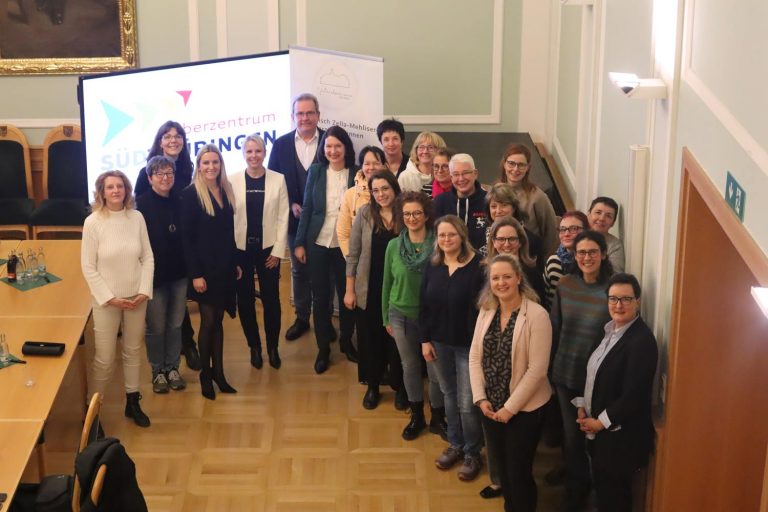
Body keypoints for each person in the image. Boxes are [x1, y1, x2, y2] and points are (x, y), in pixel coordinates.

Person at [469, 254, 552, 512]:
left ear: (518, 278)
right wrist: (480, 398)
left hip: (524, 410)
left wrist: (509, 409)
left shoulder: (537, 315)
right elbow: (474, 355)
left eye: (507, 276)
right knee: (503, 470)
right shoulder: (486, 309)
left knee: (519, 473)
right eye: (495, 278)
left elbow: (537, 370)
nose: (501, 282)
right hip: (490, 408)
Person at [574, 273, 658, 512]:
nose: (618, 305)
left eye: (625, 299)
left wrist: (599, 423)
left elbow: (634, 396)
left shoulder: (642, 341)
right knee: (603, 492)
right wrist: (582, 403)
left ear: (637, 301)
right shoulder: (609, 330)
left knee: (615, 499)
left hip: (620, 439)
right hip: (600, 434)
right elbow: (592, 373)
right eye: (613, 299)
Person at [81, 170, 154, 427]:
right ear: (101, 192)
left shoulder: (137, 218)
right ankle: (92, 413)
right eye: (110, 187)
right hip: (106, 301)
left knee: (133, 352)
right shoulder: (93, 223)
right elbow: (88, 267)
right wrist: (111, 298)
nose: (115, 191)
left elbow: (147, 257)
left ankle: (132, 402)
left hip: (137, 297)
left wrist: (144, 290)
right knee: (104, 358)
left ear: (127, 191)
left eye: (120, 187)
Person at [550, 230, 614, 510]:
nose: (587, 257)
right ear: (574, 256)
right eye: (581, 253)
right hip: (565, 375)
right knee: (572, 439)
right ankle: (575, 494)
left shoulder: (612, 290)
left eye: (592, 252)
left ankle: (596, 495)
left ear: (603, 254)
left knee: (596, 440)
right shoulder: (565, 284)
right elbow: (555, 328)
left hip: (598, 381)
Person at [421, 215, 485, 481]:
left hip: (467, 346)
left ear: (462, 236)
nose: (446, 240)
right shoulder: (433, 265)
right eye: (442, 235)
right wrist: (424, 340)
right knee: (448, 394)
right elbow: (422, 305)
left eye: (452, 235)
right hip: (438, 343)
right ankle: (456, 445)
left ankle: (472, 453)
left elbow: (482, 310)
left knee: (468, 402)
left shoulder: (478, 268)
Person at [134, 121, 200, 371]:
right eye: (167, 136)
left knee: (176, 312)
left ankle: (181, 352)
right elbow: (141, 212)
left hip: (180, 256)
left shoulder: (188, 168)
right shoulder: (145, 172)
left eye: (178, 136)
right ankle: (163, 364)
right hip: (156, 260)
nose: (173, 140)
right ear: (159, 141)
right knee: (160, 321)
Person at [382, 191, 447, 441]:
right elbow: (386, 283)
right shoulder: (393, 246)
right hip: (399, 314)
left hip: (431, 318)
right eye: (407, 213)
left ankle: (438, 418)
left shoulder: (439, 243)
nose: (412, 218)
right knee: (409, 366)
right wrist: (386, 317)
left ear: (426, 215)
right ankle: (417, 415)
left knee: (434, 368)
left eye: (417, 213)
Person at [294, 125, 359, 374]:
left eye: (337, 146)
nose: (332, 150)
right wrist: (300, 242)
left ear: (346, 148)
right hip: (318, 243)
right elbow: (308, 207)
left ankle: (346, 343)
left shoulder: (357, 173)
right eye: (328, 146)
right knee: (320, 298)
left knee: (347, 298)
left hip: (346, 247)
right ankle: (323, 348)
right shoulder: (317, 171)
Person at [180, 144, 242, 400]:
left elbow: (229, 232)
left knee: (218, 322)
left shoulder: (226, 190)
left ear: (221, 164)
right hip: (204, 271)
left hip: (225, 266)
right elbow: (187, 239)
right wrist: (195, 274)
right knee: (208, 323)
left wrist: (236, 262)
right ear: (199, 165)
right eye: (206, 163)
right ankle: (206, 375)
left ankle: (219, 373)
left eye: (215, 162)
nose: (211, 167)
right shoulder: (190, 194)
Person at [268, 93, 325, 341]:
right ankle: (302, 318)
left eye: (310, 113)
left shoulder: (329, 141)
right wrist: (290, 203)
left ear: (318, 115)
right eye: (300, 113)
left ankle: (324, 321)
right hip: (293, 223)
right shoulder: (280, 145)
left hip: (325, 223)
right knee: (299, 271)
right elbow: (273, 181)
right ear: (293, 117)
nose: (305, 118)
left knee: (325, 272)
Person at [345, 171, 404, 410]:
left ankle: (400, 387)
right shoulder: (365, 214)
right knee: (370, 339)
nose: (381, 194)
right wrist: (350, 290)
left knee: (398, 340)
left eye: (385, 189)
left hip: (398, 288)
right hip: (369, 287)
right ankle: (373, 386)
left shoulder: (405, 213)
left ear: (394, 188)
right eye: (376, 190)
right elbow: (354, 253)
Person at [232, 134, 290, 370]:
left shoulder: (278, 179)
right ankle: (254, 347)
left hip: (268, 251)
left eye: (258, 151)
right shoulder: (232, 180)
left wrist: (277, 252)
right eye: (249, 152)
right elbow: (229, 219)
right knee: (245, 302)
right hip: (241, 252)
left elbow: (283, 217)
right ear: (244, 154)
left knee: (271, 301)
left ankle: (273, 347)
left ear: (264, 153)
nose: (253, 156)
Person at [136, 156, 188, 395]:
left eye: (169, 173)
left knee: (175, 324)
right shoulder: (141, 206)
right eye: (159, 174)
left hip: (179, 274)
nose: (165, 178)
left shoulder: (181, 199)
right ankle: (158, 370)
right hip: (153, 277)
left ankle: (173, 367)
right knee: (156, 327)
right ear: (150, 178)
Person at [498, 143, 559, 257]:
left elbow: (551, 236)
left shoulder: (538, 197)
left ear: (528, 168)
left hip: (529, 259)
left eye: (521, 165)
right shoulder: (494, 192)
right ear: (504, 164)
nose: (515, 169)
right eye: (511, 163)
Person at [434, 153, 489, 252]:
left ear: (475, 174)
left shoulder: (489, 201)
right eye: (456, 174)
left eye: (465, 173)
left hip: (482, 263)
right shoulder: (440, 202)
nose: (461, 179)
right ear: (451, 177)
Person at [337, 146, 387, 257]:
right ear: (361, 166)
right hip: (360, 260)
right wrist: (352, 261)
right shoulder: (350, 195)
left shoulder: (393, 192)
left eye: (376, 163)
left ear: (384, 166)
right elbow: (343, 234)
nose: (371, 167)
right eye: (367, 163)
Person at [486, 216, 546, 304]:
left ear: (520, 241)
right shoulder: (484, 271)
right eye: (501, 239)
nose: (506, 244)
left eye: (512, 239)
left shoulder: (532, 273)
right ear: (493, 242)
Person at [485, 182, 544, 266]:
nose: (498, 211)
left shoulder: (531, 240)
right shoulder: (480, 234)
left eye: (504, 205)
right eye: (493, 206)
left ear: (514, 208)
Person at [543, 211, 590, 310]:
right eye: (562, 229)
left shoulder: (593, 260)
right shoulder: (555, 262)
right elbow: (553, 305)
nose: (566, 234)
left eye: (573, 229)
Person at [587, 196, 625, 272]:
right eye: (598, 212)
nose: (602, 218)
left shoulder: (614, 245)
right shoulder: (576, 234)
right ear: (588, 214)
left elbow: (615, 274)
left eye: (608, 216)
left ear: (613, 223)